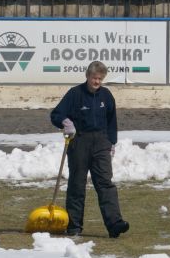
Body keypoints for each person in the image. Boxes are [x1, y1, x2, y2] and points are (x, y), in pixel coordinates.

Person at [50, 60, 129, 238]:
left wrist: (112, 143)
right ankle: (74, 226)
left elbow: (112, 121)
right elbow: (56, 114)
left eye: (100, 79)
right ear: (88, 76)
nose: (97, 82)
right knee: (77, 184)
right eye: (94, 78)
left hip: (101, 142)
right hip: (79, 142)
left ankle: (114, 223)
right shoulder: (75, 94)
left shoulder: (106, 96)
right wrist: (66, 122)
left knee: (105, 183)